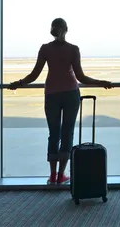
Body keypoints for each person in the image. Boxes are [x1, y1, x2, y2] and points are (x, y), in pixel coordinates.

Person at [7, 18, 113, 185]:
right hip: (71, 94)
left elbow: (34, 75)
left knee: (53, 134)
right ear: (66, 29)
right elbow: (81, 77)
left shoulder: (45, 49)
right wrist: (102, 83)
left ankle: (53, 175)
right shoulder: (73, 49)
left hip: (51, 94)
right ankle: (62, 174)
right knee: (67, 133)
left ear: (52, 30)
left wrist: (18, 84)